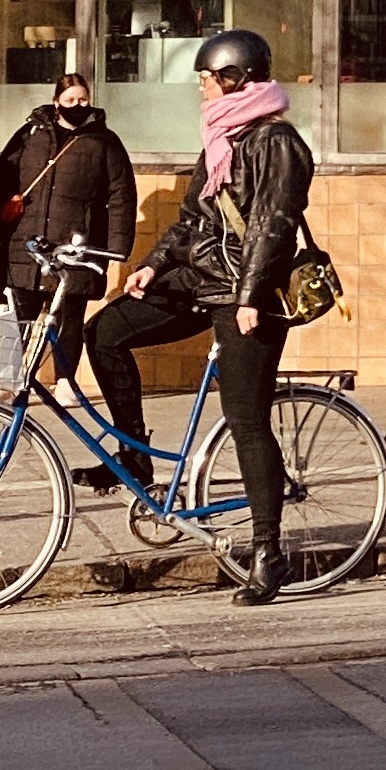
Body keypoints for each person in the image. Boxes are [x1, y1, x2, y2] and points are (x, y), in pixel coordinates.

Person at [81, 29, 312, 604]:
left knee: (245, 419)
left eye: (208, 78)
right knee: (105, 331)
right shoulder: (221, 137)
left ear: (237, 79)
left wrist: (251, 297)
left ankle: (268, 552)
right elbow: (192, 221)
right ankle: (134, 455)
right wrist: (152, 267)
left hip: (249, 294)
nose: (202, 87)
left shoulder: (276, 142)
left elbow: (273, 227)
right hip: (202, 281)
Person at [0, 71, 136, 418]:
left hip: (77, 243)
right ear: (56, 102)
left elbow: (122, 195)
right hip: (26, 241)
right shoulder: (29, 135)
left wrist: (116, 247)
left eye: (83, 99)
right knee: (18, 315)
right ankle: (7, 379)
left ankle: (66, 380)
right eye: (70, 100)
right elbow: (0, 181)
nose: (77, 105)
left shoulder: (104, 141)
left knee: (70, 316)